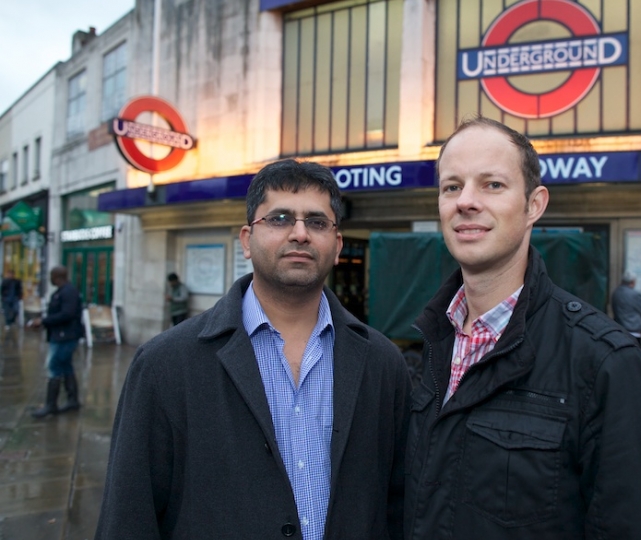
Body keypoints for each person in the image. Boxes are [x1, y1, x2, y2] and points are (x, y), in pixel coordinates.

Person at [96, 159, 411, 540]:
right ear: (246, 240)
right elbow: (129, 517)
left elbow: (398, 507)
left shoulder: (383, 362)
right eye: (279, 219)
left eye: (316, 222)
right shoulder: (165, 365)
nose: (300, 234)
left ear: (338, 244)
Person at [405, 117, 641, 539]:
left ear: (535, 205)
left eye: (492, 184)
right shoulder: (431, 344)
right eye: (452, 186)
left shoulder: (608, 365)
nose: (466, 201)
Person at [30, 266, 84, 418]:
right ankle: (72, 400)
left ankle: (51, 404)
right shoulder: (61, 292)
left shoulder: (68, 292)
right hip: (60, 335)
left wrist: (44, 321)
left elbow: (67, 313)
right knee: (66, 366)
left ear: (56, 277)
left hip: (65, 336)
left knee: (54, 366)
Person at [611, 269, 641, 346]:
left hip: (619, 329)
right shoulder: (635, 294)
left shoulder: (616, 292)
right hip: (634, 331)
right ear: (633, 282)